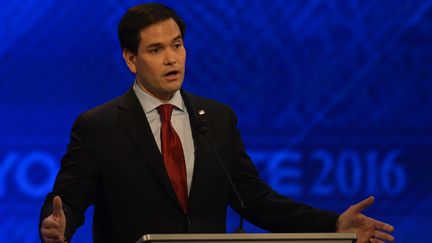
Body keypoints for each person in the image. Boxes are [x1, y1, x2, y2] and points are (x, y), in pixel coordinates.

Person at [39, 3, 394, 243]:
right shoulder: (99, 127)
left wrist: (333, 226)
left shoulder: (217, 119)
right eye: (156, 50)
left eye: (177, 46)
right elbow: (67, 201)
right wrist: (58, 226)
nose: (171, 59)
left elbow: (254, 199)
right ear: (131, 60)